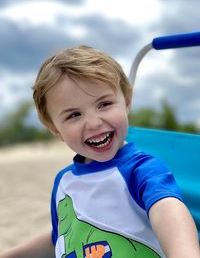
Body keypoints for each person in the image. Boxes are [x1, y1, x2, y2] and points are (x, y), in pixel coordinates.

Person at [0, 45, 200, 258]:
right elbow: (59, 240)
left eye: (104, 104)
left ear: (127, 102)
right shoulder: (64, 181)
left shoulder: (141, 169)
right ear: (55, 129)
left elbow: (167, 211)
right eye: (74, 115)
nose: (94, 123)